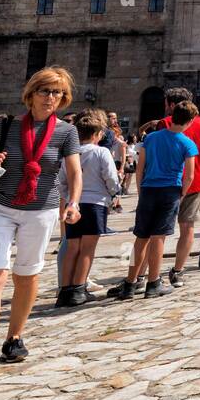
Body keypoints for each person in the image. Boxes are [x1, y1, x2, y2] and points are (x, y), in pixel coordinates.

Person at [0, 67, 82, 378]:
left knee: (26, 276)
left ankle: (14, 338)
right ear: (31, 94)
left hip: (41, 210)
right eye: (45, 91)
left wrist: (73, 203)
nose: (51, 97)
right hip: (1, 208)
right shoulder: (3, 127)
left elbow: (73, 172)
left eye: (57, 92)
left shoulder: (66, 132)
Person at [107, 100, 197, 300]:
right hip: (170, 191)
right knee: (158, 238)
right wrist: (181, 194)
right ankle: (153, 282)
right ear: (190, 121)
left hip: (148, 189)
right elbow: (189, 176)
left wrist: (141, 189)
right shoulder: (188, 144)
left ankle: (130, 283)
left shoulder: (152, 138)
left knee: (141, 238)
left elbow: (140, 168)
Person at [55, 109, 122, 307]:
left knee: (72, 247)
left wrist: (69, 197)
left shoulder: (70, 154)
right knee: (87, 249)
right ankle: (78, 288)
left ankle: (65, 290)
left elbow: (60, 181)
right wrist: (114, 192)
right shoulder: (101, 152)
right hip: (95, 203)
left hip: (73, 204)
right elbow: (110, 176)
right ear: (97, 134)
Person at [157, 87, 200, 287]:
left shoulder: (165, 123)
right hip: (196, 181)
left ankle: (148, 274)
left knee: (157, 231)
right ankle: (178, 271)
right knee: (187, 228)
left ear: (173, 105)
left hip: (167, 183)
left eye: (166, 104)